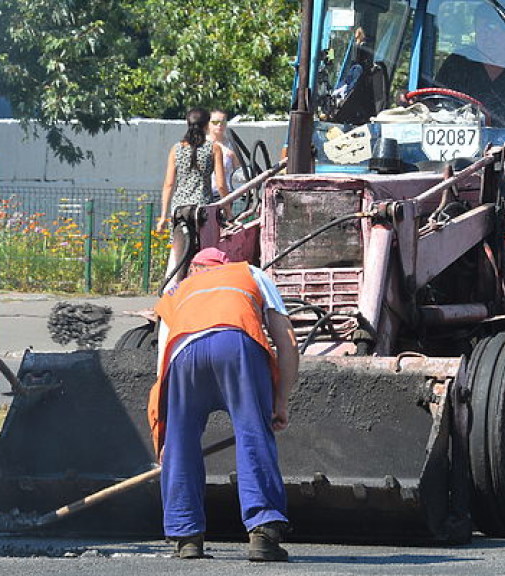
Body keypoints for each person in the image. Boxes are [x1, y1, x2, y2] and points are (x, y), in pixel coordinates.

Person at [148, 247, 299, 562]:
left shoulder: (176, 292)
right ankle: (263, 534)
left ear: (195, 269)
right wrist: (280, 401)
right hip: (236, 344)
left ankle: (186, 537)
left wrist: (163, 434)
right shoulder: (249, 273)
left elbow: (162, 366)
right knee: (253, 434)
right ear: (224, 264)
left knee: (182, 441)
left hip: (183, 355)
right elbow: (288, 341)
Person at [434, 4, 505, 131]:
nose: (487, 37)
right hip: (463, 145)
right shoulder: (457, 63)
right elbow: (432, 101)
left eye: (492, 29)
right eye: (481, 30)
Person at [156, 109, 229, 286]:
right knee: (204, 253)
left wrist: (164, 216)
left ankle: (171, 292)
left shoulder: (176, 149)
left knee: (178, 253)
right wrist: (228, 210)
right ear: (206, 126)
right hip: (202, 208)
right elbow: (220, 184)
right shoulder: (214, 148)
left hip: (179, 209)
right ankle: (199, 290)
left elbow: (168, 184)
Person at [207, 110, 239, 199]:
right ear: (208, 124)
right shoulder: (203, 144)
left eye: (222, 122)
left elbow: (238, 171)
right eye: (215, 122)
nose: (219, 125)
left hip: (228, 193)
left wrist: (233, 156)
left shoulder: (231, 144)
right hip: (208, 194)